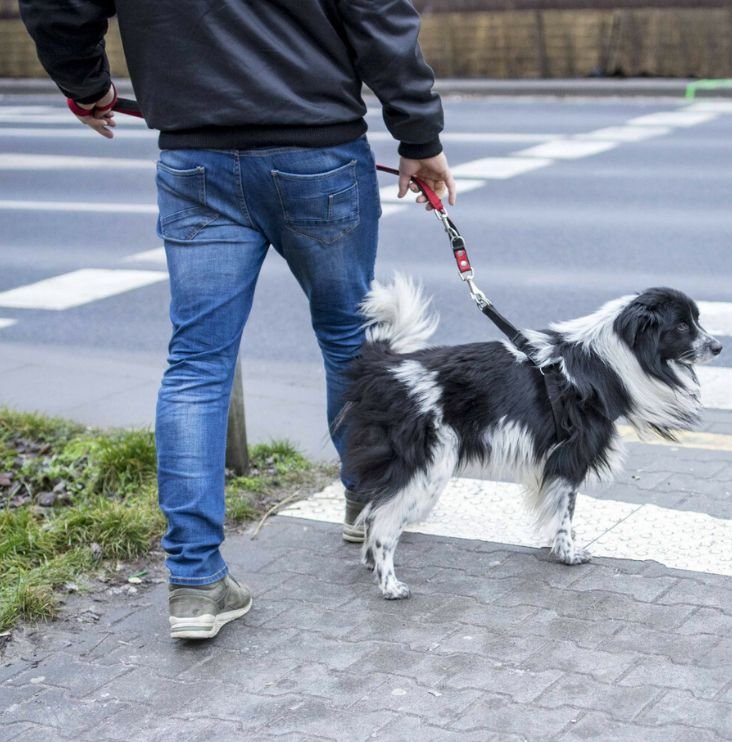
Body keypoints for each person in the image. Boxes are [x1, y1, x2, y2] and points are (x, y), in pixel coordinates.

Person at [19, 0, 455, 640]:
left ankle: (196, 582)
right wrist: (418, 136)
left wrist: (85, 84)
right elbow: (379, 15)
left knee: (197, 363)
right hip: (319, 150)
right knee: (346, 339)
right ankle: (367, 499)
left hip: (196, 157)